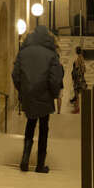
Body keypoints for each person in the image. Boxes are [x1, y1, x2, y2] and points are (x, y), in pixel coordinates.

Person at [12, 26, 64, 173]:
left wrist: (22, 90)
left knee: (30, 125)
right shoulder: (51, 54)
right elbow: (55, 79)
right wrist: (53, 94)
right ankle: (40, 164)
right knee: (43, 129)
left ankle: (24, 160)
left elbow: (15, 75)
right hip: (44, 95)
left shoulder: (23, 52)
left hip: (28, 94)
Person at [70, 46, 87, 114]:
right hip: (80, 77)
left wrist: (76, 75)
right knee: (77, 93)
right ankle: (76, 107)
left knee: (76, 92)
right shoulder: (81, 57)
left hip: (78, 78)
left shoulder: (78, 59)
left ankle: (77, 108)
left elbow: (77, 69)